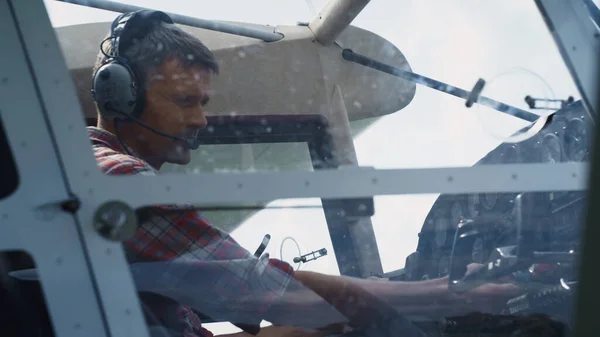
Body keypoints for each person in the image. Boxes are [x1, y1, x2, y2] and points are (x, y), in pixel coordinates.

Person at [87, 10, 521, 337]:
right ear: (122, 98)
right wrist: (450, 293)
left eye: (203, 102)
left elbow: (253, 298)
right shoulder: (121, 182)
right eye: (185, 101)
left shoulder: (94, 170)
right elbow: (273, 294)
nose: (201, 119)